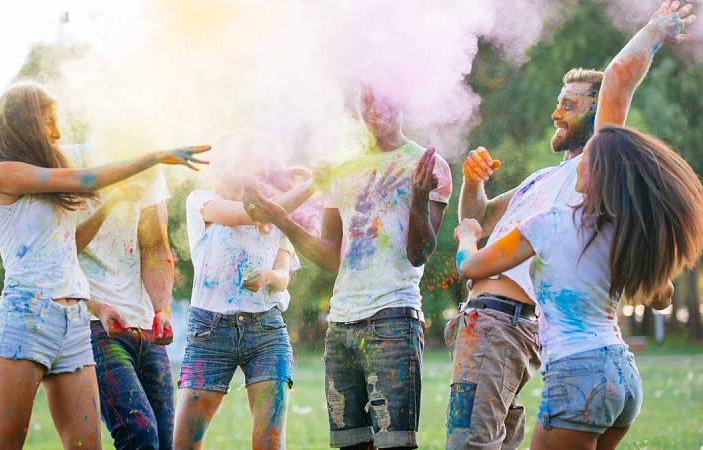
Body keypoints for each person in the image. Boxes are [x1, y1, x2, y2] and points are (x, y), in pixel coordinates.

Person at [444, 2, 694, 447]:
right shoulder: (545, 182)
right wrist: (472, 184)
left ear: (597, 118)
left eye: (568, 104)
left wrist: (655, 29)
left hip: (519, 331)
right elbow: (480, 216)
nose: (556, 113)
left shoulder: (598, 174)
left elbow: (618, 77)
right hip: (609, 368)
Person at [0, 82, 209, 450]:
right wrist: (154, 156)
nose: (56, 131)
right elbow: (86, 180)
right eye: (48, 121)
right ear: (23, 123)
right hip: (26, 316)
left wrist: (116, 200)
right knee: (6, 445)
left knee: (86, 445)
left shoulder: (49, 177)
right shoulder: (2, 173)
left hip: (73, 322)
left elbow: (76, 241)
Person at [454, 124, 703, 449]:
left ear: (601, 172)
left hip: (578, 377)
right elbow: (661, 295)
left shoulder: (551, 222)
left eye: (589, 159)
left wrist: (469, 234)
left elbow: (469, 266)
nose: (579, 164)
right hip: (623, 378)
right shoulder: (619, 234)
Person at [242, 87, 452, 449]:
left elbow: (420, 253)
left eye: (386, 96)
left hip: (394, 319)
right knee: (351, 444)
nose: (375, 109)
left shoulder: (427, 165)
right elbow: (330, 258)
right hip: (340, 325)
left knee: (395, 444)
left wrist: (418, 198)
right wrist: (282, 219)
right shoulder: (340, 168)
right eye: (367, 100)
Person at [173, 161, 313, 450]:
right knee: (186, 440)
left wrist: (267, 277)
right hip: (209, 333)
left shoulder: (278, 218)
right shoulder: (202, 200)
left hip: (266, 331)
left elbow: (283, 277)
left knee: (270, 441)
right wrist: (312, 184)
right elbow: (246, 214)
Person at [64, 143, 176, 450]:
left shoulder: (151, 167)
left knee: (165, 442)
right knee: (139, 434)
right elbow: (56, 252)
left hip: (144, 326)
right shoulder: (69, 160)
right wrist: (113, 200)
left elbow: (155, 247)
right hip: (93, 324)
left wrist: (162, 309)